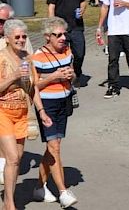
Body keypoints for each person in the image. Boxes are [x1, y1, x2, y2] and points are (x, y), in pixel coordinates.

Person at [0, 20, 50, 210]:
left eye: (24, 36)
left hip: (22, 113)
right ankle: (10, 204)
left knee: (17, 159)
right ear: (7, 39)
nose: (21, 40)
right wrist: (12, 77)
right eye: (17, 37)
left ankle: (8, 200)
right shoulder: (1, 57)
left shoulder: (28, 59)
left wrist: (41, 111)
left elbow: (33, 88)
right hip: (2, 111)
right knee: (12, 157)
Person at [31, 17, 78, 208]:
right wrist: (53, 77)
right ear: (47, 37)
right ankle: (63, 191)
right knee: (54, 148)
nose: (62, 38)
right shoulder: (37, 56)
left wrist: (70, 76)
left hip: (64, 102)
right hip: (47, 105)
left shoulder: (67, 51)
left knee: (53, 147)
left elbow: (74, 75)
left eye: (64, 34)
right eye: (57, 35)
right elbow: (33, 86)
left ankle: (39, 187)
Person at [47, 0, 88, 87]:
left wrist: (82, 10)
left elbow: (84, 0)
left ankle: (77, 72)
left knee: (80, 53)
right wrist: (52, 27)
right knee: (62, 54)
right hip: (61, 28)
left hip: (77, 26)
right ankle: (65, 77)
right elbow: (51, 7)